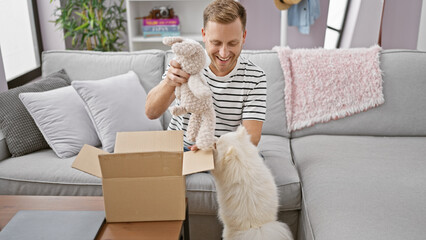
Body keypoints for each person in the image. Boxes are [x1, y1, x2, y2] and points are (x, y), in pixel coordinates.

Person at [145, 0, 267, 151]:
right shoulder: (187, 62)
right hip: (180, 149)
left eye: (232, 43)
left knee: (254, 165)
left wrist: (212, 145)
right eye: (216, 42)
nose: (223, 53)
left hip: (225, 152)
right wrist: (169, 83)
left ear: (243, 37)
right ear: (203, 35)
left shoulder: (255, 77)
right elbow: (151, 112)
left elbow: (251, 139)